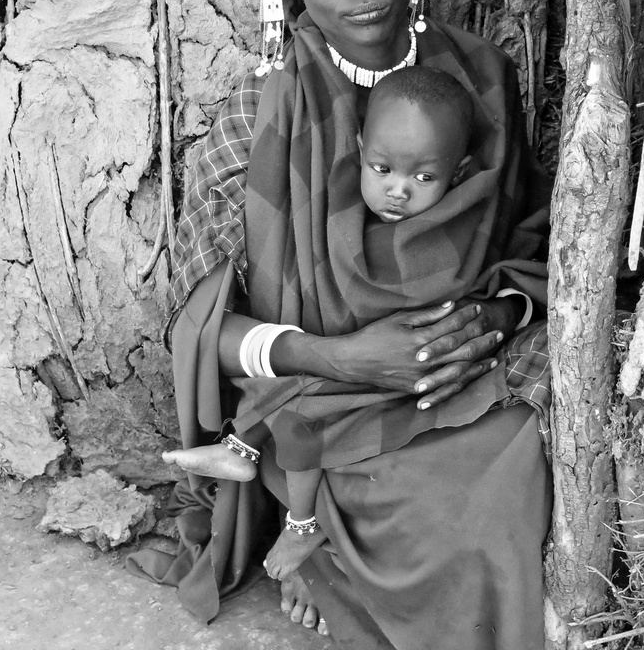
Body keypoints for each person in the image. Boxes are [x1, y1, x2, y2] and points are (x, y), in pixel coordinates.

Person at [128, 0, 553, 650]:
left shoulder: (478, 79)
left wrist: (489, 315)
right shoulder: (259, 107)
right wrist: (345, 354)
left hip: (454, 377)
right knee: (442, 519)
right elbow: (202, 325)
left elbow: (527, 237)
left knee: (512, 481)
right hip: (320, 401)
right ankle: (322, 557)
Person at [168, 65, 479, 583]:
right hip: (340, 366)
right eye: (381, 169)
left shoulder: (453, 231)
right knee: (298, 401)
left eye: (423, 178)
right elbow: (201, 322)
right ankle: (271, 483)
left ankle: (285, 503)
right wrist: (347, 350)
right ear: (358, 148)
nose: (399, 191)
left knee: (305, 409)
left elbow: (469, 291)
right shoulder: (330, 199)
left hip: (403, 385)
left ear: (460, 174)